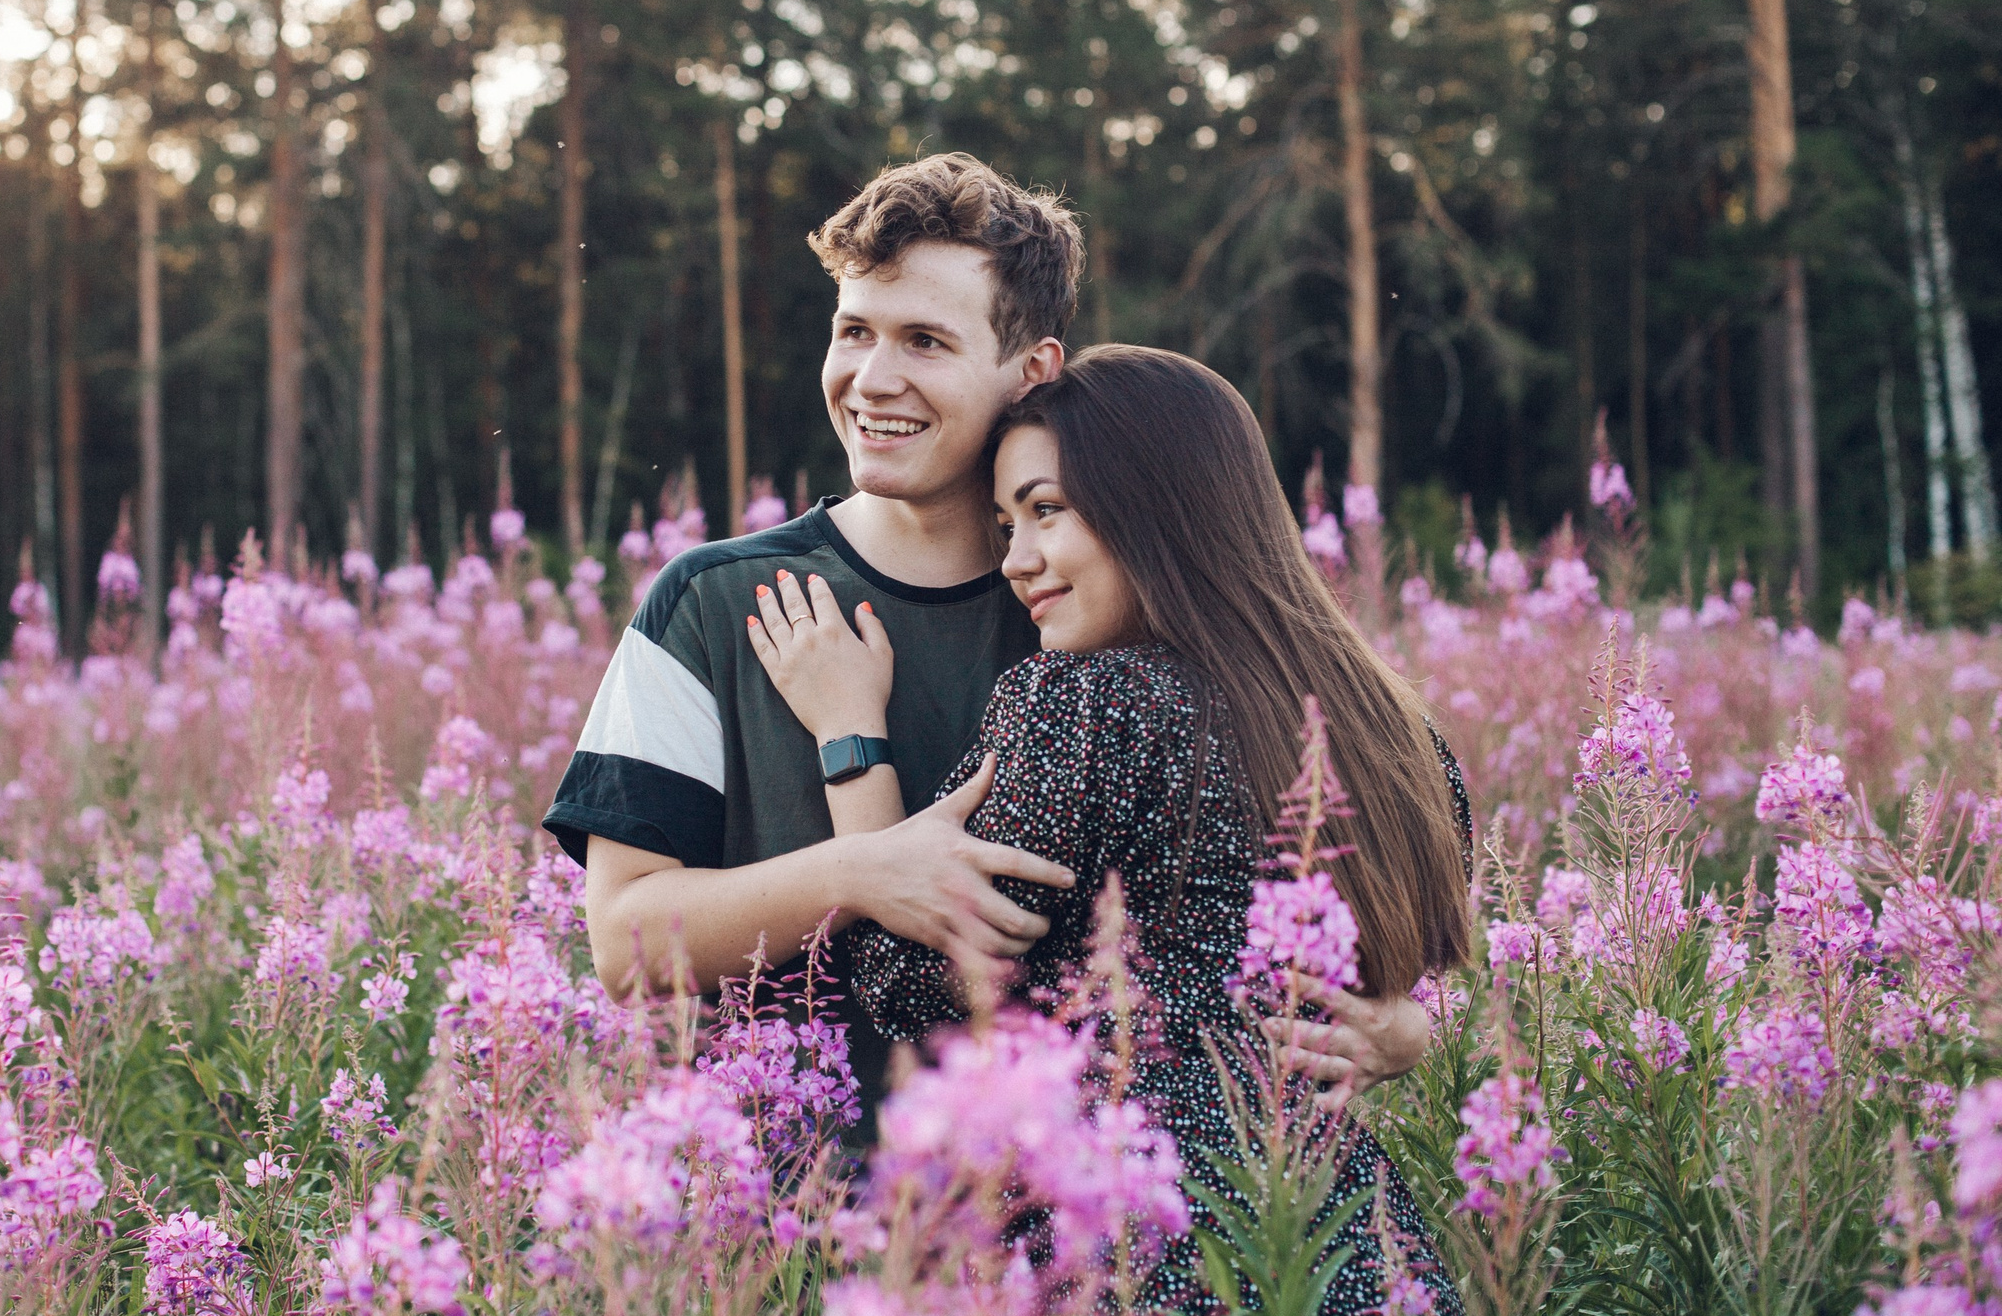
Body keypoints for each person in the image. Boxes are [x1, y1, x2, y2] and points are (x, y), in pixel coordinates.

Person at [542, 153, 1430, 1119]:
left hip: (1073, 1192)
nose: (873, 379)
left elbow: (1287, 874)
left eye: (925, 341)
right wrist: (856, 874)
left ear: (1033, 368)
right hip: (794, 1193)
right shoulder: (712, 601)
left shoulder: (1102, 605)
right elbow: (623, 943)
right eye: (854, 331)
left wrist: (1402, 1021)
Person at [744, 343, 1473, 1316]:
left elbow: (914, 982)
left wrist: (849, 732)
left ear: (1158, 507)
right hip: (1366, 1271)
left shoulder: (1086, 702)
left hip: (1145, 1267)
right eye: (1008, 525)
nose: (1015, 559)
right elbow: (1415, 972)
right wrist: (1410, 1027)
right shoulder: (1395, 731)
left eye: (1046, 510)